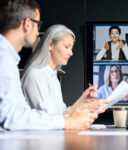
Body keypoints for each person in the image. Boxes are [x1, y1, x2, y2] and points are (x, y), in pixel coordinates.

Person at [0, 0, 103, 130]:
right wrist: (67, 122)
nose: (38, 32)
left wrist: (82, 104)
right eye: (37, 25)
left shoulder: (9, 59)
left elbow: (24, 113)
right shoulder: (5, 59)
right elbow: (12, 117)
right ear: (27, 24)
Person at [21, 24, 110, 114]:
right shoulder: (36, 75)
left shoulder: (53, 77)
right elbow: (49, 119)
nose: (71, 53)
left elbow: (62, 113)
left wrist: (83, 101)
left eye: (71, 48)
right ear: (51, 45)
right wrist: (86, 107)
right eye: (66, 47)